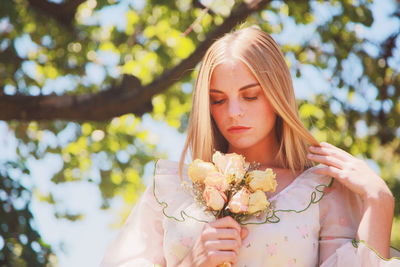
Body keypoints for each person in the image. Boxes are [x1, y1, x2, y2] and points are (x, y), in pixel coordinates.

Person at [100, 25, 400, 266]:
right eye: (218, 100)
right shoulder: (170, 189)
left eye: (250, 96)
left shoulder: (321, 191)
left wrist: (379, 199)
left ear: (277, 94)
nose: (233, 113)